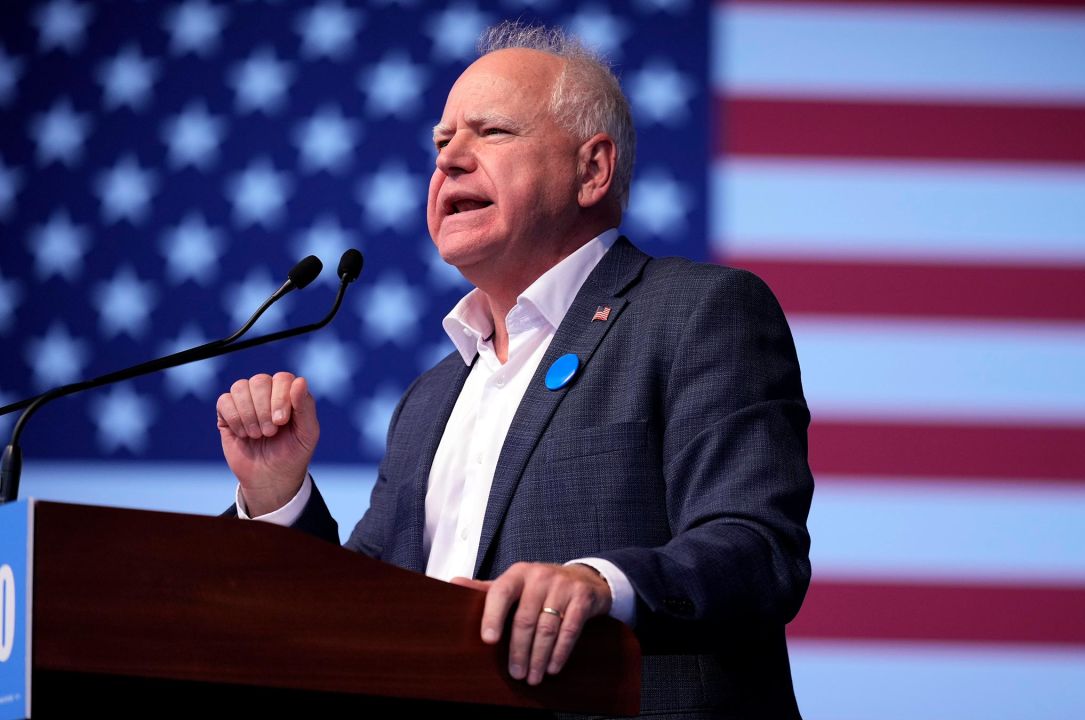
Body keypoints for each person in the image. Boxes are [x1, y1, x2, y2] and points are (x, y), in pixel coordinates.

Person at [215, 21, 813, 719]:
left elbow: (757, 549)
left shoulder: (696, 313)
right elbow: (360, 611)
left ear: (592, 169)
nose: (449, 162)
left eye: (491, 133)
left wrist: (599, 584)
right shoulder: (432, 396)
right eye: (440, 144)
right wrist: (278, 496)